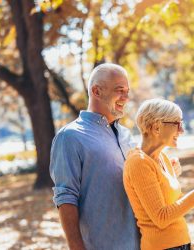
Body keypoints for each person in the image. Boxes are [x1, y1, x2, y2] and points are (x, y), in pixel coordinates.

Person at [49, 63, 140, 249]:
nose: (126, 97)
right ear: (96, 91)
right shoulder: (69, 137)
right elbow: (66, 198)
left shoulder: (126, 135)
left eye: (127, 91)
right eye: (119, 90)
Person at [123, 98, 194, 250]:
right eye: (177, 124)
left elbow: (171, 202)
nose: (182, 130)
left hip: (180, 242)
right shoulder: (139, 162)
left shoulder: (161, 157)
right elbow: (161, 218)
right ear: (156, 127)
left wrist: (171, 178)